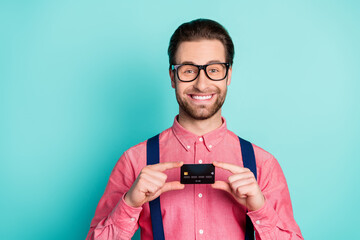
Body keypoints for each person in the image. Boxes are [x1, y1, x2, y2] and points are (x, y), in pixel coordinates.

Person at [86, 19, 303, 240]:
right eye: (188, 70)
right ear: (173, 77)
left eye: (214, 70)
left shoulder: (262, 164)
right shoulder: (134, 161)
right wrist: (130, 204)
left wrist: (260, 208)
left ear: (228, 75)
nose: (201, 84)